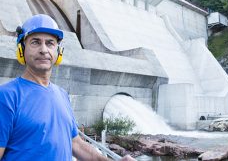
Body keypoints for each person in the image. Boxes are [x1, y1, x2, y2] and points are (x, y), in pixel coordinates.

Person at [0, 14, 135, 161]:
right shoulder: (6, 96)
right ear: (21, 50)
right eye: (35, 42)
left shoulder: (62, 94)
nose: (43, 50)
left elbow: (75, 143)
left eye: (50, 43)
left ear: (58, 52)